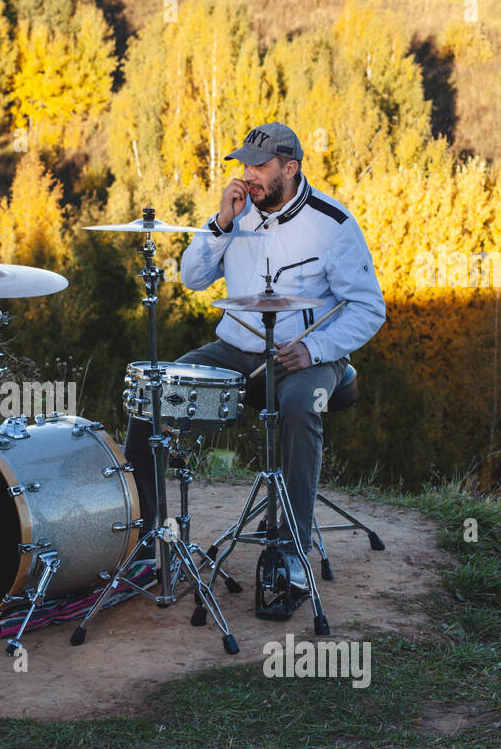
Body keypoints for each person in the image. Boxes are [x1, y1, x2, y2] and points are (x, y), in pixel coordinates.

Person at [124, 122, 385, 593]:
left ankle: (291, 552)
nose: (248, 175)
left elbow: (369, 308)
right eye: (244, 165)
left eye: (259, 166)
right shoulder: (236, 211)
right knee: (154, 396)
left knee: (300, 407)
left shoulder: (333, 223)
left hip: (304, 354)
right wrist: (221, 223)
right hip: (236, 348)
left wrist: (315, 348)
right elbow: (193, 278)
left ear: (290, 167)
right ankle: (146, 544)